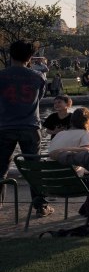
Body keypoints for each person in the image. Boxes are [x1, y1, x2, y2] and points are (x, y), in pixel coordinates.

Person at [0, 40, 52, 217]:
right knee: (34, 168)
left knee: (1, 168)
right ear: (30, 57)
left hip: (4, 126)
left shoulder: (1, 76)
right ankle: (40, 206)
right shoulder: (38, 77)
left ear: (11, 55)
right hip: (30, 126)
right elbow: (39, 99)